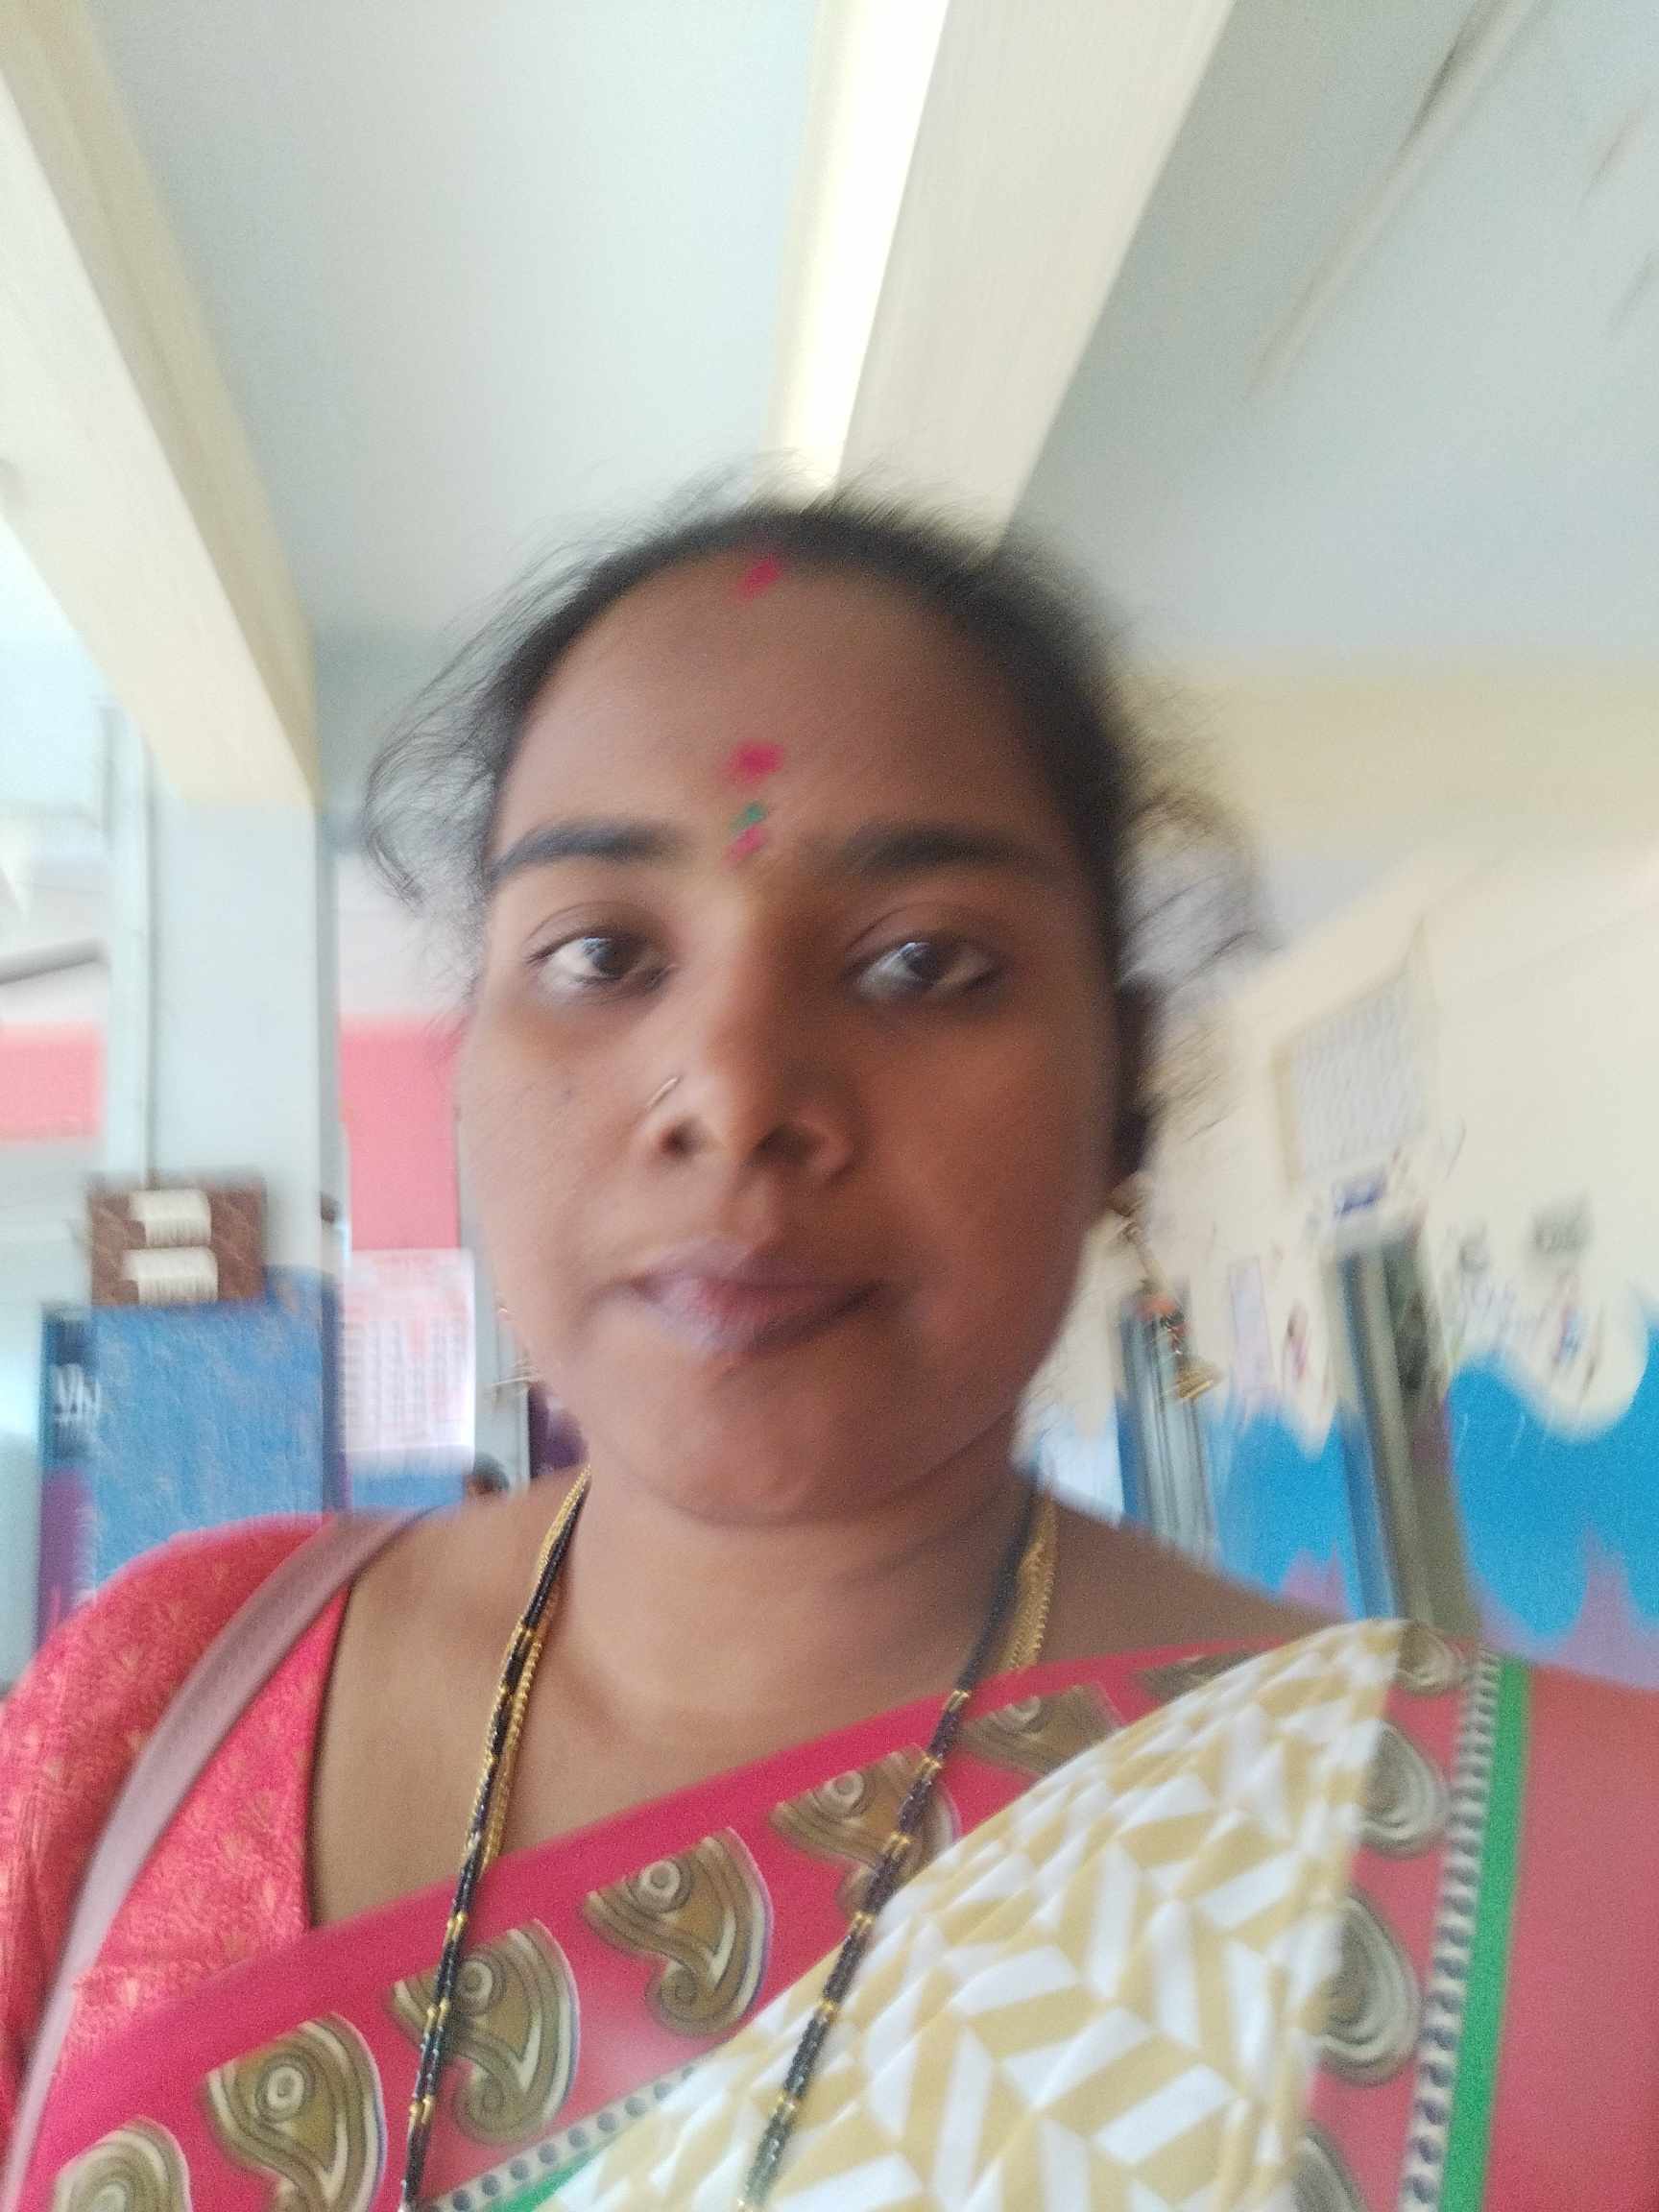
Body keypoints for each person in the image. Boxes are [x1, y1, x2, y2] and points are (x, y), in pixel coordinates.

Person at [3, 497, 1655, 2211]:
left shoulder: (1563, 1885)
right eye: (600, 954)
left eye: (923, 963)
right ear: (471, 1056)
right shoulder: (160, 1707)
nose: (731, 1091)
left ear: (1124, 1095)